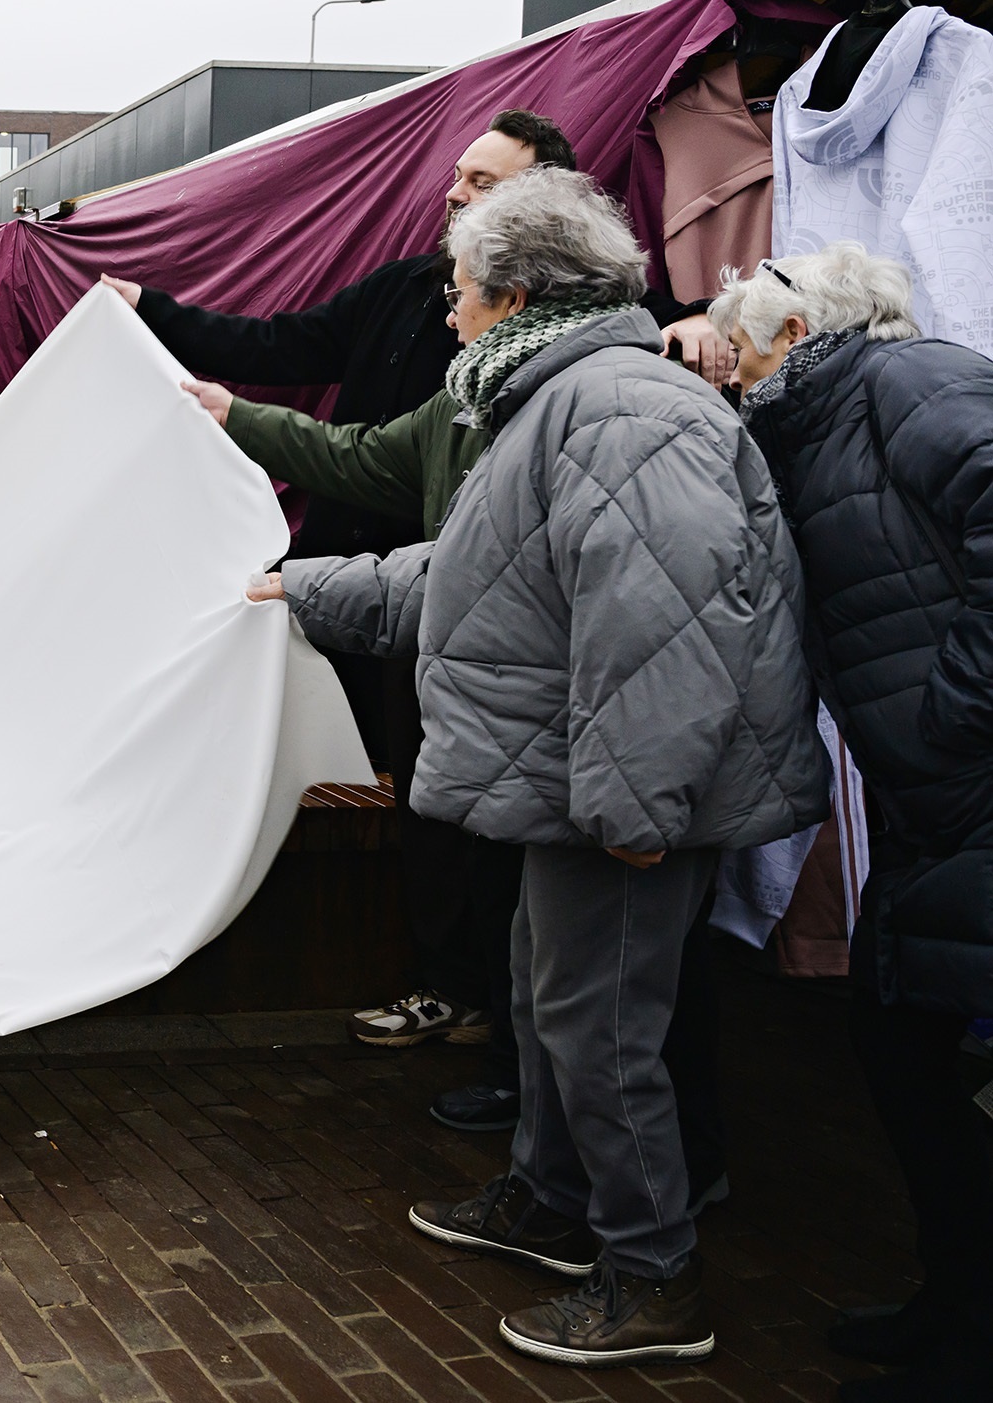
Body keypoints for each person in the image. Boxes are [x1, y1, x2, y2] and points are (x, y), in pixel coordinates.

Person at [260, 167, 827, 1367]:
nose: (448, 314)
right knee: (546, 997)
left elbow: (663, 621)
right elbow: (471, 576)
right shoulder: (559, 401)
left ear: (517, 297)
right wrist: (303, 588)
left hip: (614, 799)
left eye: (460, 293)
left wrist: (635, 808)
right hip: (577, 783)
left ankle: (651, 1273)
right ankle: (554, 1201)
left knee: (599, 1027)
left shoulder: (614, 410)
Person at [102, 109, 577, 1122]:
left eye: (483, 183)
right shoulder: (410, 295)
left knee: (467, 811)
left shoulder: (576, 370)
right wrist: (153, 311)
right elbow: (299, 374)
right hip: (355, 593)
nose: (454, 193)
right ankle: (464, 997)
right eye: (457, 175)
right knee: (416, 799)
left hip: (453, 618)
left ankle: (490, 1016)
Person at [711, 246, 993, 1403]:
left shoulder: (908, 379)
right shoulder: (814, 425)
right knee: (899, 1053)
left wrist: (951, 716)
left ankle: (973, 1348)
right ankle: (952, 1303)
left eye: (737, 345)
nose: (727, 371)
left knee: (946, 1071)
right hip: (932, 807)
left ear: (794, 335)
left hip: (968, 790)